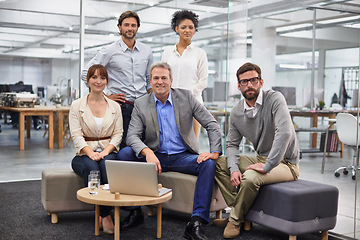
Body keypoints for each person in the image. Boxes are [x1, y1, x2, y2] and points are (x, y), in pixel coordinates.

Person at [117, 62, 222, 240]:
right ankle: (135, 212)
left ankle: (196, 222)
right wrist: (148, 152)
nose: (160, 82)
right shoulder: (142, 103)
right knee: (124, 154)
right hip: (155, 156)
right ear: (150, 81)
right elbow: (132, 136)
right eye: (156, 78)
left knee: (209, 164)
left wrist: (215, 151)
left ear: (171, 80)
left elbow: (211, 124)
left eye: (164, 78)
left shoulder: (186, 97)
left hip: (183, 157)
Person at [214, 62, 300, 239]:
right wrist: (234, 169)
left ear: (261, 82)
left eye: (253, 80)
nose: (249, 85)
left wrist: (268, 166)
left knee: (251, 177)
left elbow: (284, 132)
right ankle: (241, 214)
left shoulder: (275, 99)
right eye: (244, 82)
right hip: (261, 158)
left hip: (287, 164)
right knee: (217, 163)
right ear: (238, 86)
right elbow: (231, 144)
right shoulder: (237, 112)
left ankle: (235, 219)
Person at [81, 10, 153, 149]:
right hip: (122, 107)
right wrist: (105, 96)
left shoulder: (147, 51)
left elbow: (148, 78)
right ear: (119, 27)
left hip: (143, 106)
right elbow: (86, 73)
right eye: (126, 25)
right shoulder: (109, 51)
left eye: (133, 25)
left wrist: (152, 98)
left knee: (143, 146)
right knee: (124, 147)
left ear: (138, 27)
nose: (130, 28)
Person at [70, 64, 123, 235]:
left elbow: (118, 134)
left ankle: (103, 213)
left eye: (102, 78)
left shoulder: (115, 106)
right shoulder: (77, 105)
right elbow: (76, 136)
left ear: (107, 81)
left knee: (107, 166)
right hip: (84, 153)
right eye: (94, 77)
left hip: (108, 151)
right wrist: (91, 152)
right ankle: (105, 216)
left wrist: (106, 151)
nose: (98, 81)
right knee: (93, 169)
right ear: (88, 80)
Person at [161, 10, 208, 139]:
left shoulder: (200, 53)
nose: (187, 30)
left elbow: (203, 81)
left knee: (192, 144)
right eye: (183, 27)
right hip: (170, 104)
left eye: (191, 27)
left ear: (194, 30)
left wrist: (185, 96)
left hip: (194, 104)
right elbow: (162, 78)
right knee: (170, 142)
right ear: (176, 29)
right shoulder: (167, 53)